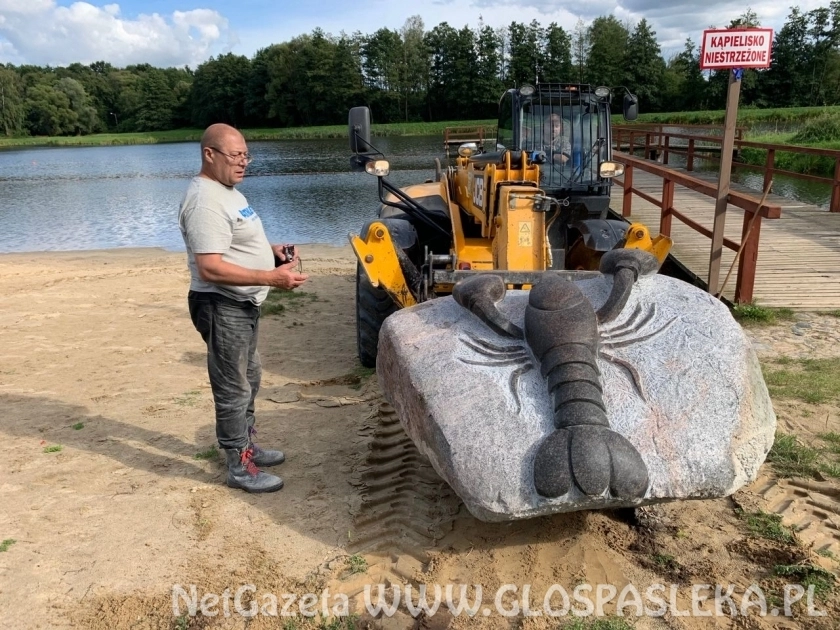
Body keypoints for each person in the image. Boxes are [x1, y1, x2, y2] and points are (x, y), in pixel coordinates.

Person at [178, 123, 308, 494]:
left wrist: (271, 251)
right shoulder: (204, 201)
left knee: (250, 377)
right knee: (233, 388)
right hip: (221, 305)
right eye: (235, 155)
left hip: (241, 303)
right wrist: (271, 277)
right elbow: (210, 267)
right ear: (209, 154)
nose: (243, 162)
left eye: (246, 155)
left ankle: (248, 446)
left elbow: (234, 243)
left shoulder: (227, 192)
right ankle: (239, 467)